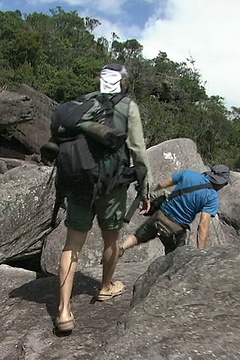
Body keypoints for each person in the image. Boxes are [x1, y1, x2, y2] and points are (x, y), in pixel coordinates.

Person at [55, 63, 153, 332]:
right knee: (111, 238)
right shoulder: (127, 106)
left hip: (78, 183)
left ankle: (64, 312)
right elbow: (138, 151)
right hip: (112, 186)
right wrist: (146, 189)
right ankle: (106, 286)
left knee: (72, 244)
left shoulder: (83, 103)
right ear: (123, 83)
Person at [119, 165, 228, 257]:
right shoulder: (212, 197)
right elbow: (203, 226)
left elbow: (163, 184)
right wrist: (201, 252)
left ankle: (121, 248)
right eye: (224, 184)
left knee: (137, 237)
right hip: (175, 230)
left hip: (159, 217)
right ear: (220, 182)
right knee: (176, 258)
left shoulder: (188, 174)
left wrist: (148, 195)